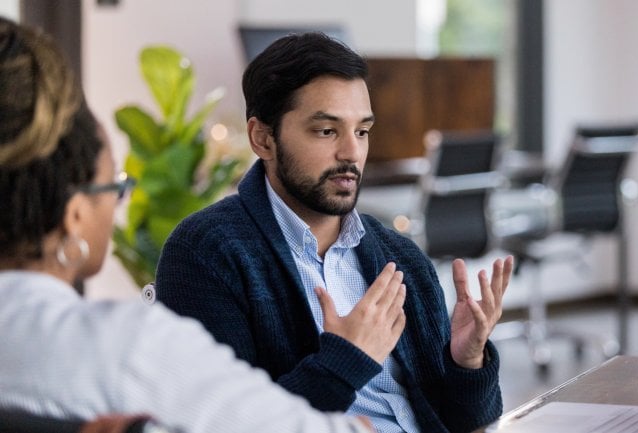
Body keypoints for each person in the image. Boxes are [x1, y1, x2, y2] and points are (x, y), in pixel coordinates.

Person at [0, 17, 371, 433]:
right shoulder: (130, 347)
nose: (351, 150)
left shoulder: (388, 252)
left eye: (362, 130)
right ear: (74, 215)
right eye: (116, 186)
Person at [155, 32, 515, 433]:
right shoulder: (206, 252)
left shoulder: (402, 257)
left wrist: (467, 361)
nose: (351, 153)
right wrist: (346, 360)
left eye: (361, 131)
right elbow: (222, 424)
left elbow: (470, 422)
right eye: (327, 131)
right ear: (263, 138)